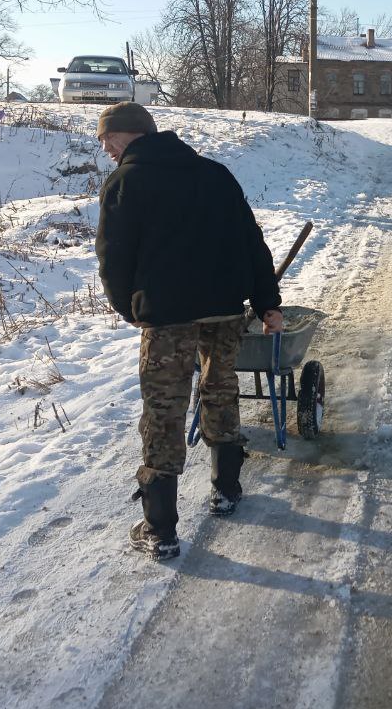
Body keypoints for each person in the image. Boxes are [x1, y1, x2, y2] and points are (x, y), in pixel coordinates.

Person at [94, 101, 284, 560]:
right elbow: (251, 241)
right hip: (223, 309)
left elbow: (113, 258)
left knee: (165, 409)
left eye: (107, 138)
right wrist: (266, 303)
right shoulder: (216, 174)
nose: (104, 148)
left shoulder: (126, 181)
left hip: (166, 316)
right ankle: (227, 490)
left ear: (129, 134)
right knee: (220, 390)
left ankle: (160, 530)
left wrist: (129, 308)